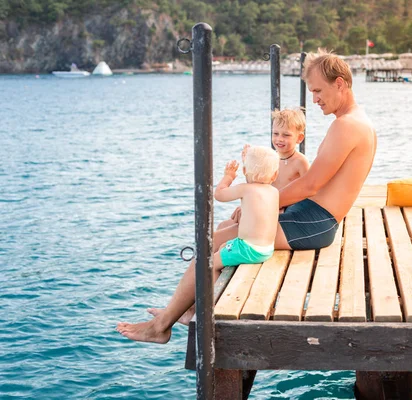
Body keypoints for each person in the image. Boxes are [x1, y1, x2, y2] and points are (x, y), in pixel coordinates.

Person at [116, 49, 377, 344]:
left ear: (340, 83)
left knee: (212, 244)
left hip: (314, 223)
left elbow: (311, 185)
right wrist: (260, 207)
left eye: (318, 91)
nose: (315, 99)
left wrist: (260, 206)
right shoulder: (356, 120)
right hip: (310, 217)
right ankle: (186, 309)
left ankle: (161, 326)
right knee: (222, 232)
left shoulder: (347, 126)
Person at [116, 145, 280, 343]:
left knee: (206, 264)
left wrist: (228, 176)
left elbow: (220, 194)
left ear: (245, 172)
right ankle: (188, 309)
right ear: (275, 174)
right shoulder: (273, 191)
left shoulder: (246, 189)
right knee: (220, 250)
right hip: (266, 249)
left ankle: (207, 310)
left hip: (247, 249)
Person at [222, 108, 310, 228]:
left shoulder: (300, 162)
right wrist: (248, 166)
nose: (279, 139)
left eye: (286, 135)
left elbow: (308, 191)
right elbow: (257, 184)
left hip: (284, 212)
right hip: (265, 205)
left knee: (232, 228)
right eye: (275, 133)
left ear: (299, 138)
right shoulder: (270, 158)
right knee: (223, 225)